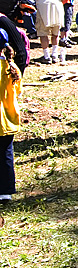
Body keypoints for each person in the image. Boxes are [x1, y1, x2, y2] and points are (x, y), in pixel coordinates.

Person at [0, 39, 22, 203]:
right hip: (9, 118)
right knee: (6, 154)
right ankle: (6, 190)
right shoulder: (12, 67)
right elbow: (18, 92)